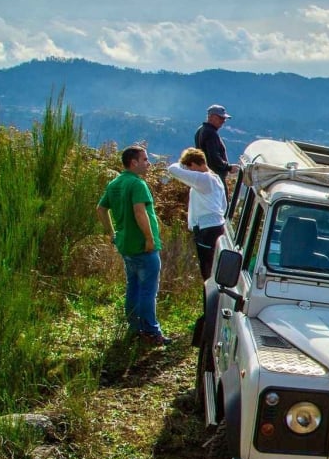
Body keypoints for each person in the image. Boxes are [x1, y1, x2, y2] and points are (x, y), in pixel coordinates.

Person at [96, 145, 167, 345]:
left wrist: (112, 233)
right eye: (145, 159)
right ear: (133, 162)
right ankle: (151, 331)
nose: (148, 163)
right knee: (147, 291)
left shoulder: (115, 183)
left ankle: (134, 327)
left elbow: (100, 209)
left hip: (125, 244)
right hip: (142, 246)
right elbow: (139, 212)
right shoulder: (137, 184)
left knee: (133, 286)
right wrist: (150, 238)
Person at [167, 148, 229, 278]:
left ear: (193, 165)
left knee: (207, 270)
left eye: (189, 168)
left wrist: (182, 164)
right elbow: (224, 205)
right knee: (214, 267)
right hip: (217, 226)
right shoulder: (215, 178)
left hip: (206, 229)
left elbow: (172, 169)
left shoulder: (203, 179)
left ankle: (209, 296)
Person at [194, 105, 232, 183]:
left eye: (224, 119)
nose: (223, 121)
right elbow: (214, 157)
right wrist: (229, 167)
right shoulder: (211, 133)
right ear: (211, 117)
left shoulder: (200, 130)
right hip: (216, 178)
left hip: (206, 176)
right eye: (220, 118)